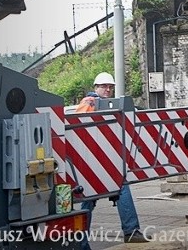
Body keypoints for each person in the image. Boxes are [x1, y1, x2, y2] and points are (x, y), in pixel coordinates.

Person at [76, 72, 148, 245]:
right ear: (95, 88)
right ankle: (130, 231)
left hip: (101, 161)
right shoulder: (89, 102)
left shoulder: (107, 104)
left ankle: (81, 242)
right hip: (93, 162)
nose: (108, 90)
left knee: (93, 199)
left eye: (110, 87)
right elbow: (80, 125)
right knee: (94, 197)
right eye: (104, 86)